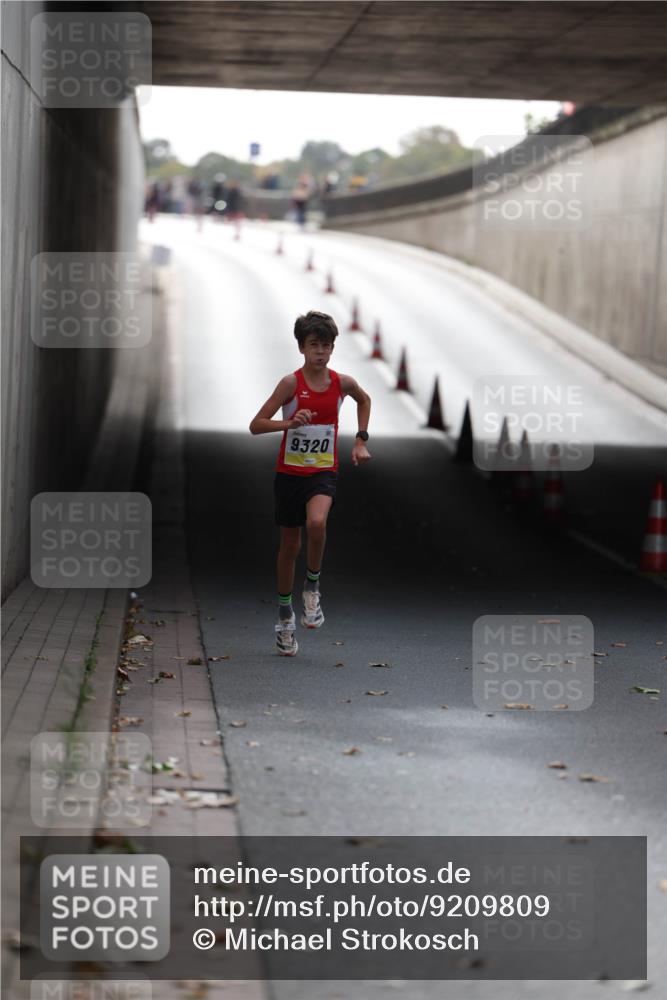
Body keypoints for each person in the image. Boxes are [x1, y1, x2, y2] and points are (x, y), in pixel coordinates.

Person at [249, 311, 372, 656]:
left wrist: (360, 440)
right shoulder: (291, 384)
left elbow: (365, 400)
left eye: (327, 345)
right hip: (289, 474)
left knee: (317, 522)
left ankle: (312, 589)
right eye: (314, 345)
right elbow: (256, 425)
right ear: (302, 348)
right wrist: (287, 425)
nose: (321, 351)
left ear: (333, 349)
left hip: (322, 471)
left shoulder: (341, 383)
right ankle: (285, 618)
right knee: (289, 547)